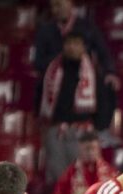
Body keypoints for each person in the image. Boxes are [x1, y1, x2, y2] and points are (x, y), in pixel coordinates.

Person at [33, 0, 118, 132]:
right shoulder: (45, 31)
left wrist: (110, 72)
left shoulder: (87, 27)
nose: (56, 9)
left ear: (70, 4)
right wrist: (61, 58)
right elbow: (38, 62)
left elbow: (103, 52)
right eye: (53, 6)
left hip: (81, 78)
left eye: (59, 4)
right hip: (56, 85)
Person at [39, 32, 100, 184]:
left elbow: (103, 102)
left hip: (82, 132)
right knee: (57, 177)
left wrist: (96, 129)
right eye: (69, 43)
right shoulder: (52, 69)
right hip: (56, 130)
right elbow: (41, 96)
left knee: (81, 177)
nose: (72, 47)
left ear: (83, 47)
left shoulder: (92, 71)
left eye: (76, 44)